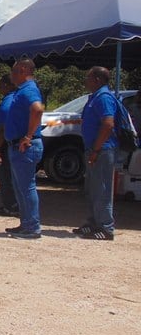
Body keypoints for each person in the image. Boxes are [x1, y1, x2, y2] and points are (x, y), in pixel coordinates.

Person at [74, 66, 120, 240]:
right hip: (94, 150)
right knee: (92, 189)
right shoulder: (95, 97)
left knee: (102, 189)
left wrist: (96, 150)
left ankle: (106, 228)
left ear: (98, 80)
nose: (86, 81)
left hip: (102, 150)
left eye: (88, 77)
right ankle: (93, 223)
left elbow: (108, 124)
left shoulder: (104, 98)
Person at [4, 59, 45, 239]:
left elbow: (37, 109)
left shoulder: (29, 89)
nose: (11, 76)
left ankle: (32, 227)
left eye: (13, 72)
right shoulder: (23, 90)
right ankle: (26, 223)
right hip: (18, 146)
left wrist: (28, 136)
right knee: (20, 186)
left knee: (27, 187)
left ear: (22, 70)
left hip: (26, 146)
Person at [0, 75, 19, 217]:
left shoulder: (8, 102)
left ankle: (11, 205)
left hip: (3, 145)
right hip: (6, 144)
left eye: (1, 84)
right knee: (6, 176)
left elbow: (2, 127)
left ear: (8, 85)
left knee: (5, 176)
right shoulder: (12, 99)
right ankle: (9, 204)